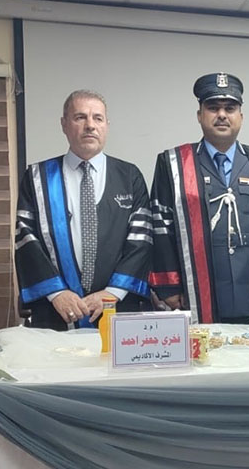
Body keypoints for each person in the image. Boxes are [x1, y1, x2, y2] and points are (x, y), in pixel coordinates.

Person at [149, 73, 249, 324]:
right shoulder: (173, 164)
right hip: (197, 293)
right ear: (199, 115)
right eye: (213, 108)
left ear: (241, 116)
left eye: (230, 108)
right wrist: (169, 287)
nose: (222, 114)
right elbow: (160, 228)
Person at [14, 90, 152, 330]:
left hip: (117, 309)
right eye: (80, 117)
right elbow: (26, 238)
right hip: (56, 311)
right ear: (64, 124)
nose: (90, 125)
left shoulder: (129, 176)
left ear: (107, 125)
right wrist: (56, 293)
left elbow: (141, 241)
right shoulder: (38, 178)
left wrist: (112, 293)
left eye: (98, 118)